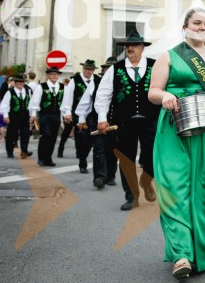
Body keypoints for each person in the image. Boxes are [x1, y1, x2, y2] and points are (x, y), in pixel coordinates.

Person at [147, 8, 205, 279]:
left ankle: (201, 250)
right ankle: (181, 255)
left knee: (204, 189)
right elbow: (153, 90)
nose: (201, 27)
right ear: (185, 26)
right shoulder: (169, 56)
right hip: (173, 128)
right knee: (174, 188)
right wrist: (163, 97)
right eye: (196, 22)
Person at [94, 32, 157, 210]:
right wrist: (101, 119)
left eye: (135, 45)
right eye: (128, 46)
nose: (130, 48)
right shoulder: (116, 69)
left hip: (150, 121)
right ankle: (132, 197)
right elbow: (103, 95)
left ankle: (146, 180)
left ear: (142, 48)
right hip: (124, 123)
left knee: (153, 155)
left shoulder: (155, 66)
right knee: (126, 159)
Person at [76, 56, 117, 188]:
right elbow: (85, 102)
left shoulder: (123, 82)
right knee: (99, 148)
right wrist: (82, 119)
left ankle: (110, 175)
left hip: (115, 122)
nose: (109, 71)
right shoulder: (95, 82)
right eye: (107, 69)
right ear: (103, 70)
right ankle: (99, 177)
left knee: (113, 149)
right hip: (96, 120)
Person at [59, 59, 98, 171]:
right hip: (78, 113)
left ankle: (83, 156)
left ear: (93, 70)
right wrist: (67, 113)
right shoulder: (74, 80)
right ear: (83, 69)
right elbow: (68, 97)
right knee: (81, 137)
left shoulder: (97, 80)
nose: (88, 71)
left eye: (90, 69)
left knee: (90, 139)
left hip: (92, 115)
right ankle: (82, 163)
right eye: (86, 69)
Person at [28, 67, 64, 167]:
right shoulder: (41, 86)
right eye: (52, 74)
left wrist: (65, 115)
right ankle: (41, 158)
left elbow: (65, 103)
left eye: (56, 74)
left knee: (53, 138)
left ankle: (48, 158)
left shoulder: (62, 87)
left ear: (58, 76)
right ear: (48, 75)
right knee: (45, 136)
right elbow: (35, 101)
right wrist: (34, 115)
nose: (54, 76)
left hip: (56, 115)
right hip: (45, 115)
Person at [0, 74, 33, 158]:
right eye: (18, 82)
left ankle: (24, 152)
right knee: (11, 134)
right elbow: (5, 104)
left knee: (25, 134)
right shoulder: (10, 92)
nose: (20, 83)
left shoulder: (28, 91)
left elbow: (31, 104)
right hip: (13, 117)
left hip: (25, 116)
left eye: (22, 82)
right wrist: (5, 115)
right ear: (14, 83)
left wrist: (32, 115)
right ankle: (9, 151)